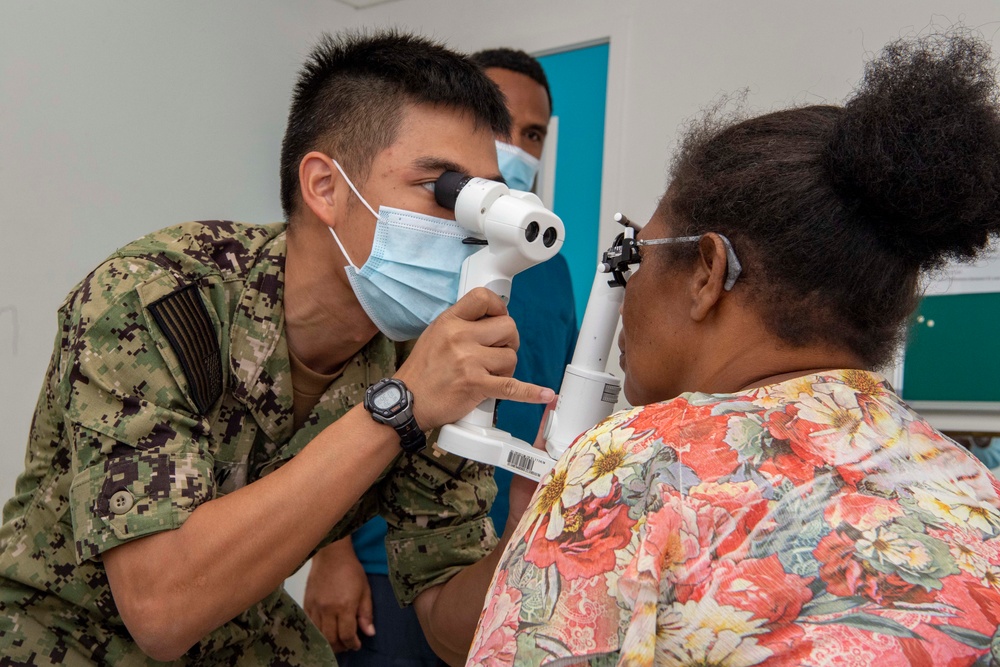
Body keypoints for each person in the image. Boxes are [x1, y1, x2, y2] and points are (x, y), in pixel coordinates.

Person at [0, 30, 556, 666]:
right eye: (443, 192)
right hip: (62, 631)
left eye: (484, 204)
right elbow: (161, 607)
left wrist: (530, 530)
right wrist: (400, 408)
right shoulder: (157, 298)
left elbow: (454, 629)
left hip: (237, 628)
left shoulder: (424, 355)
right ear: (325, 186)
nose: (468, 231)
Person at [470, 31, 1000, 666]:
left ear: (706, 272)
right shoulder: (973, 485)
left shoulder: (630, 471)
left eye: (638, 254)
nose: (626, 287)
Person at [305, 47, 578, 666]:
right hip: (375, 552)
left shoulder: (551, 270)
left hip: (478, 543)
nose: (517, 146)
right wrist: (332, 551)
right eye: (501, 125)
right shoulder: (404, 268)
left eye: (533, 134)